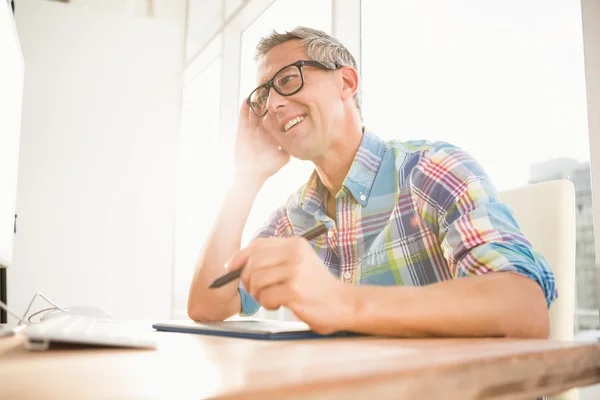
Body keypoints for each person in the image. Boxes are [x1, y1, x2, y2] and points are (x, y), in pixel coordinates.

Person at [187, 26, 556, 338]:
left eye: (287, 80)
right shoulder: (296, 215)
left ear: (346, 82)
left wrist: (340, 302)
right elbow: (208, 303)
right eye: (263, 97)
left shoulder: (429, 169)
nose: (272, 106)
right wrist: (245, 180)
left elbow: (524, 309)